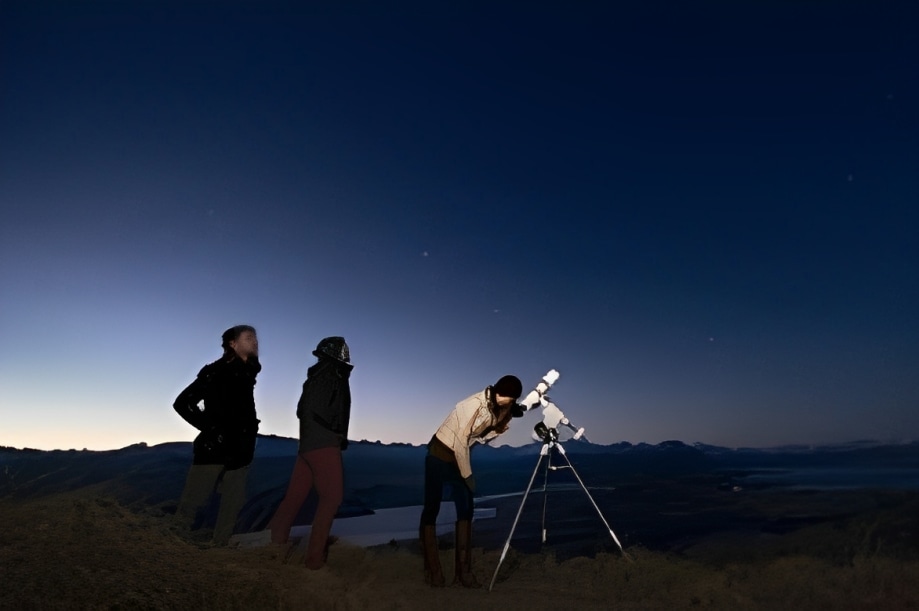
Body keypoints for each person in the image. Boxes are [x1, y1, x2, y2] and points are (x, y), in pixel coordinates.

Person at [419, 375, 524, 588]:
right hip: (440, 454)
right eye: (510, 399)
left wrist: (505, 419)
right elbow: (460, 442)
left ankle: (464, 573)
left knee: (466, 508)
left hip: (458, 455)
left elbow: (481, 437)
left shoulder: (496, 408)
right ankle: (434, 572)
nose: (510, 403)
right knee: (432, 507)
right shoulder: (472, 405)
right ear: (501, 394)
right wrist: (467, 475)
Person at [267, 336, 353, 569]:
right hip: (323, 446)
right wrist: (334, 433)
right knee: (331, 499)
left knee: (293, 499)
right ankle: (314, 561)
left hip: (307, 445)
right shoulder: (333, 375)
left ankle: (273, 551)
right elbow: (326, 412)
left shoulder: (315, 376)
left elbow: (301, 411)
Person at [172, 324, 261, 545]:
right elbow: (182, 403)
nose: (255, 342)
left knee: (233, 504)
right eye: (249, 337)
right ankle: (170, 548)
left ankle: (219, 551)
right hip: (214, 450)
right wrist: (212, 429)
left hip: (240, 452)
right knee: (193, 503)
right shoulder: (216, 371)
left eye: (255, 337)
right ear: (233, 343)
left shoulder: (247, 372)